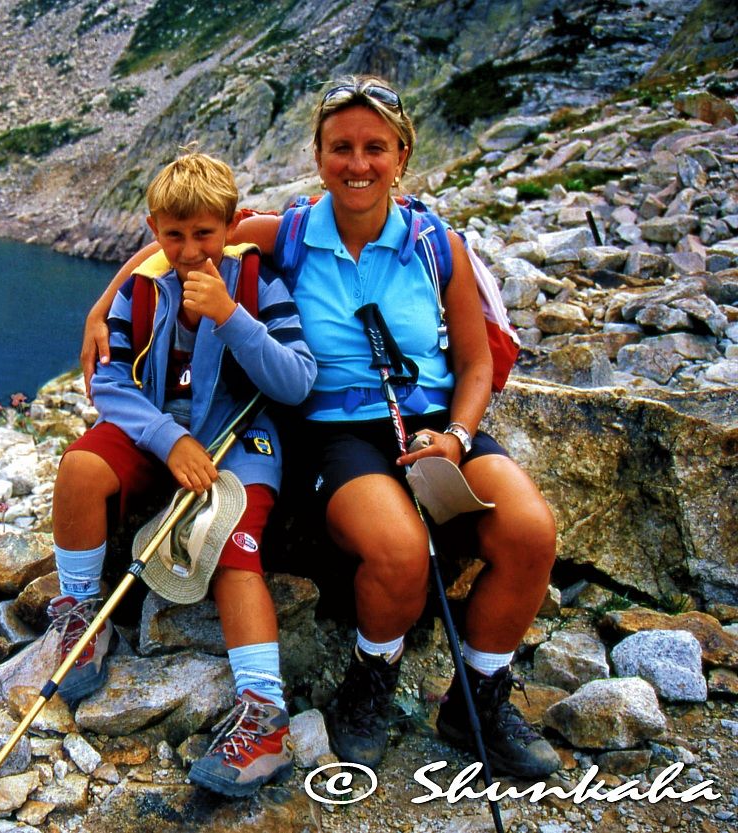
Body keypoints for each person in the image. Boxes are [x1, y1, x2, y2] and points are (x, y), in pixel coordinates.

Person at [79, 77, 560, 779]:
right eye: (341, 148)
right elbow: (182, 241)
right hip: (336, 432)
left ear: (401, 154)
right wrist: (102, 305)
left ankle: (479, 698)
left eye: (374, 148)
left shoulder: (438, 245)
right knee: (395, 548)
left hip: (430, 425)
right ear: (319, 154)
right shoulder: (292, 231)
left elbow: (476, 364)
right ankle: (370, 683)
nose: (357, 164)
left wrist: (455, 437)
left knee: (529, 530)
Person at [49, 149, 317, 797]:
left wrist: (231, 316)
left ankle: (263, 711)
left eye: (205, 233)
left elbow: (297, 379)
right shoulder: (143, 285)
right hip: (157, 434)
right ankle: (81, 613)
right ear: (153, 230)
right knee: (81, 468)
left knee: (230, 544)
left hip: (239, 443)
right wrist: (167, 441)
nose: (191, 249)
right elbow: (109, 380)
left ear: (230, 225)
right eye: (174, 235)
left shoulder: (255, 285)